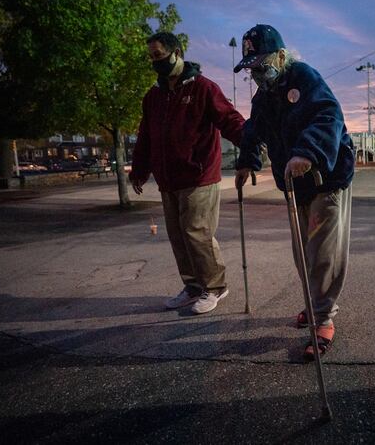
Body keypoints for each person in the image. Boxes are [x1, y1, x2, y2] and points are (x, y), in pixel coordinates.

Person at [233, 24, 354, 360]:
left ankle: (323, 318)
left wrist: (307, 151)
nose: (257, 73)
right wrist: (246, 161)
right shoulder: (264, 96)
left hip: (326, 177)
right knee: (302, 251)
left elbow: (328, 114)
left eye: (261, 64)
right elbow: (252, 129)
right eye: (251, 68)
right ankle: (316, 306)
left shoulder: (303, 77)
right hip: (293, 183)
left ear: (281, 56)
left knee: (323, 252)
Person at [129, 32, 245, 314]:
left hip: (199, 176)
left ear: (176, 52)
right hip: (168, 179)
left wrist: (251, 147)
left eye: (158, 55)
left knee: (197, 232)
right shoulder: (154, 96)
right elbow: (146, 135)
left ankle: (215, 287)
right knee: (178, 236)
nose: (155, 62)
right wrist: (140, 170)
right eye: (151, 58)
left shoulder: (203, 88)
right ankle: (193, 286)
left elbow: (229, 120)